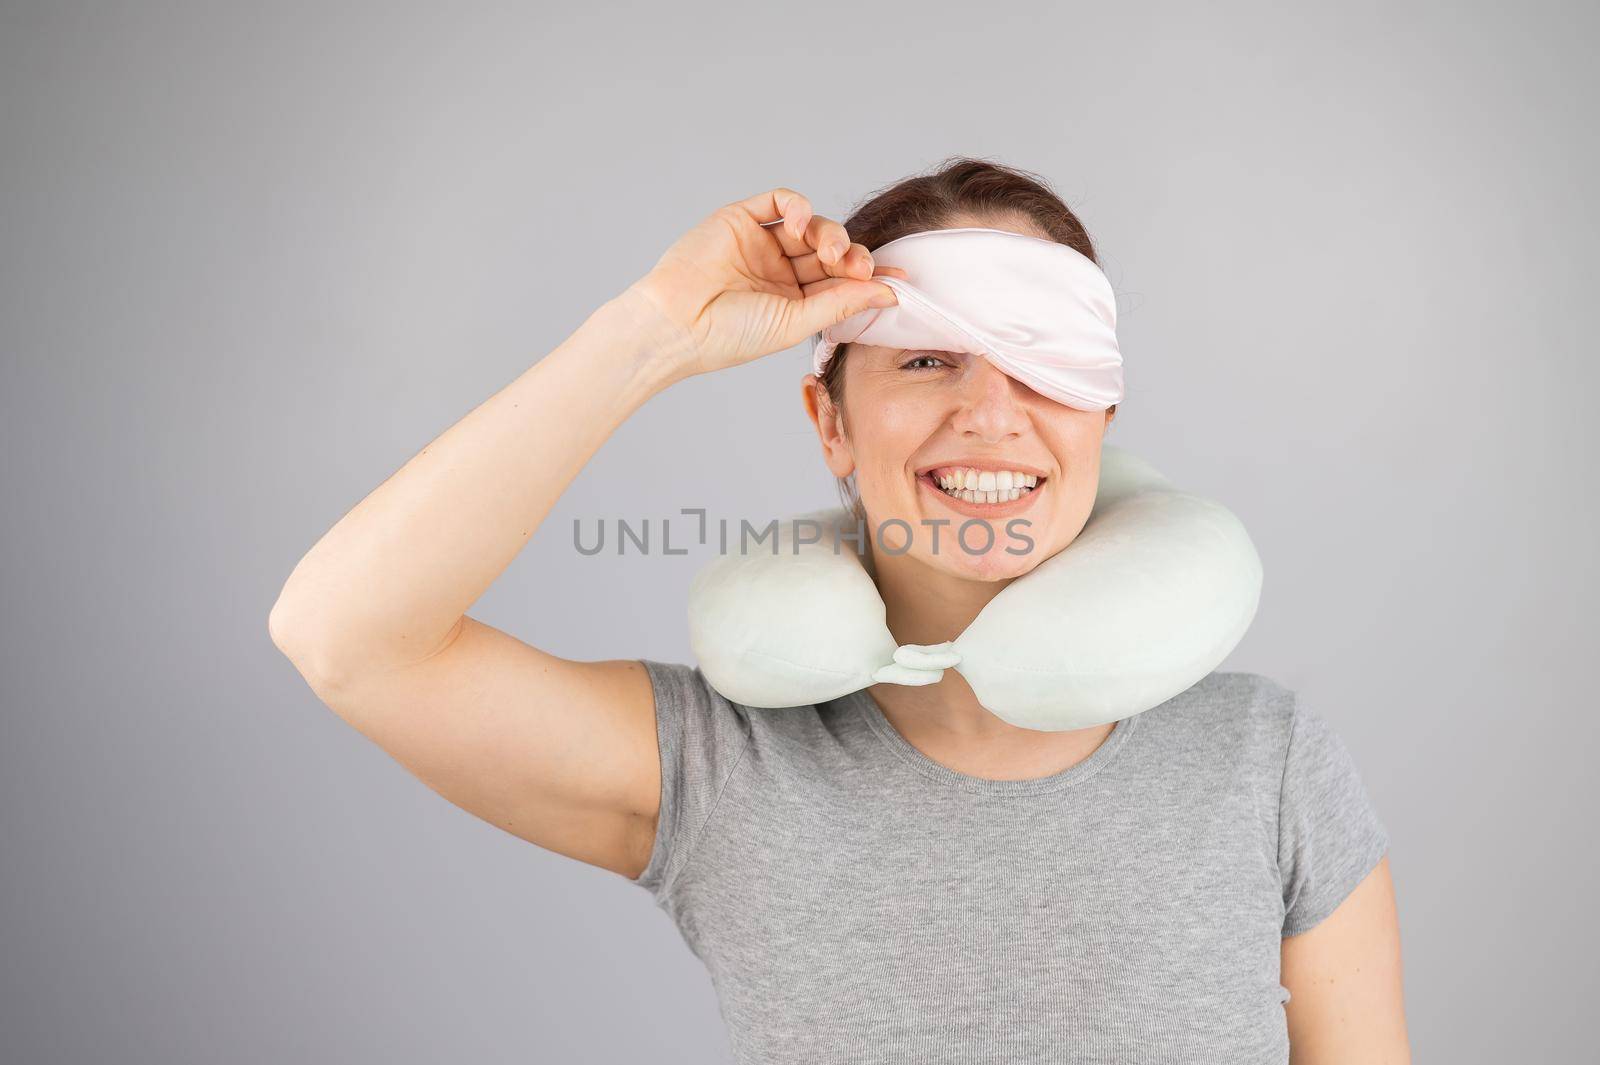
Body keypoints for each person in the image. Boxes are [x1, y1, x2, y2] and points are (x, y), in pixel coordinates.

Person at [269, 158, 1410, 1063]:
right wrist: (651, 334)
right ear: (830, 425)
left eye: (1042, 367)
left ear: (1099, 418)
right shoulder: (719, 768)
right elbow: (346, 640)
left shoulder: (1263, 761)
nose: (990, 415)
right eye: (924, 363)